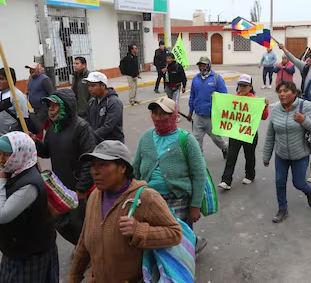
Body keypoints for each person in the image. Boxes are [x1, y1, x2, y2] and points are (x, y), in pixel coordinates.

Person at [69, 140, 182, 283]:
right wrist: (74, 276)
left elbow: (175, 234)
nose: (95, 171)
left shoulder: (146, 198)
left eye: (102, 165)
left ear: (122, 168)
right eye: (93, 165)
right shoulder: (94, 196)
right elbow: (85, 240)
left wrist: (139, 230)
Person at [133, 97, 208, 254]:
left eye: (163, 114)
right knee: (155, 241)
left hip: (177, 199)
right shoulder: (146, 137)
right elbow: (135, 169)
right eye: (155, 113)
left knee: (178, 243)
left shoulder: (186, 140)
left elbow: (199, 174)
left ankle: (189, 251)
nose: (158, 118)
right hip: (149, 199)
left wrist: (195, 205)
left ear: (173, 115)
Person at [0, 132, 58, 283]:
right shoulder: (12, 172)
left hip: (31, 256)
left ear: (21, 154)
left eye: (6, 155)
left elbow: (3, 215)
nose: (1, 160)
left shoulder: (29, 185)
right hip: (16, 251)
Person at [32, 89, 96, 245]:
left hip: (78, 188)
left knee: (80, 223)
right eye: (49, 105)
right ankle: (81, 246)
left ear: (66, 106)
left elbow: (90, 159)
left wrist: (81, 188)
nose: (50, 109)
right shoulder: (54, 128)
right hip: (60, 185)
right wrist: (34, 143)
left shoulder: (82, 128)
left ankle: (88, 251)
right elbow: (47, 152)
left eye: (54, 105)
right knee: (60, 221)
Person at [263, 81, 311, 223]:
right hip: (281, 154)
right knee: (279, 182)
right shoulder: (276, 111)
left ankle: (309, 191)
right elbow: (270, 135)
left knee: (299, 183)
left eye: (285, 91)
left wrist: (304, 120)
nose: (282, 94)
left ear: (294, 93)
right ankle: (282, 209)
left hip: (300, 155)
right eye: (279, 91)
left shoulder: (306, 106)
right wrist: (266, 156)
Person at [219, 75, 269, 189]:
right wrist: (217, 99)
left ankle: (250, 175)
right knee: (231, 157)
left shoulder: (256, 101)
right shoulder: (234, 99)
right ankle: (226, 180)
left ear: (250, 87)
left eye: (245, 86)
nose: (242, 88)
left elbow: (264, 117)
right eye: (240, 85)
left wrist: (265, 106)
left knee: (249, 156)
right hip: (236, 133)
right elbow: (224, 109)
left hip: (249, 133)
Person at [187, 56, 228, 158]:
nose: (201, 67)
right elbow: (192, 95)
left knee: (216, 138)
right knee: (196, 140)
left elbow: (224, 96)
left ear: (209, 65)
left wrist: (217, 96)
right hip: (198, 116)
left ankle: (225, 148)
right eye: (200, 65)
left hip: (211, 117)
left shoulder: (216, 78)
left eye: (204, 65)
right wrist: (190, 111)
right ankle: (199, 160)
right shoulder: (196, 79)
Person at [0, 68, 30, 140]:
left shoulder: (17, 96)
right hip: (0, 138)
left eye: (1, 79)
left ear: (11, 80)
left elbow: (23, 121)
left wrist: (16, 138)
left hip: (12, 139)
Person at [85, 72, 125, 143]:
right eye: (89, 86)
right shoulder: (92, 102)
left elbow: (108, 126)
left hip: (113, 144)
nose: (90, 89)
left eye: (93, 86)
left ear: (103, 86)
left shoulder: (114, 102)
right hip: (97, 143)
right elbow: (88, 122)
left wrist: (91, 137)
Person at [162, 53, 187, 117]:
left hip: (176, 86)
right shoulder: (165, 66)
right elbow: (161, 76)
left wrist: (184, 86)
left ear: (173, 59)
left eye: (169, 58)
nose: (168, 60)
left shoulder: (178, 66)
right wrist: (163, 72)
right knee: (170, 102)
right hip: (168, 87)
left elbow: (183, 77)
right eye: (167, 58)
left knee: (175, 102)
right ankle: (171, 115)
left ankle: (176, 116)